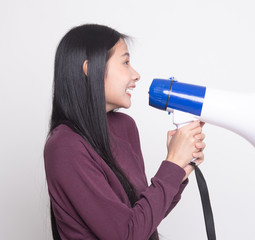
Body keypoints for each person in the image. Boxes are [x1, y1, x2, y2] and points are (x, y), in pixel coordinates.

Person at [44, 24, 206, 240]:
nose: (136, 75)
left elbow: (143, 220)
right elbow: (126, 235)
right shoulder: (65, 146)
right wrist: (172, 164)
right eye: (126, 62)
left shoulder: (124, 127)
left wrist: (179, 171)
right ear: (90, 68)